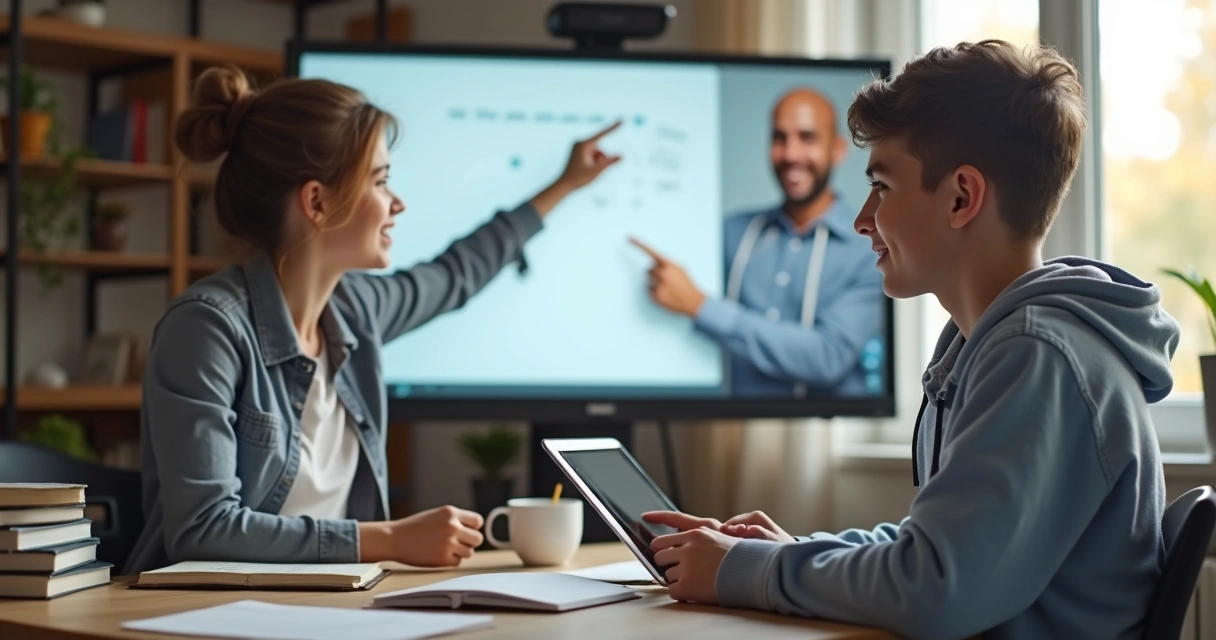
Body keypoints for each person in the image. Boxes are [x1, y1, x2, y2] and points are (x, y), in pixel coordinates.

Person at [641, 40, 1180, 639]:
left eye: (882, 186)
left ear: (962, 197)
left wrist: (748, 571)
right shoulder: (997, 343)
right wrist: (788, 554)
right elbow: (940, 550)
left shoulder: (1039, 356)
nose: (862, 219)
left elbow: (937, 586)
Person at [124, 66, 620, 575]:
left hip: (333, 603)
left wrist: (565, 184)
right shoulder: (207, 328)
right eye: (381, 181)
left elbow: (456, 274)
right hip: (210, 608)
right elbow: (203, 530)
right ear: (317, 202)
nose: (397, 203)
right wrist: (389, 539)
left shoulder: (356, 309)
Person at [631, 87, 885, 397]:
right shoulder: (732, 233)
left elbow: (828, 356)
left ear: (837, 150)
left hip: (821, 424)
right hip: (730, 421)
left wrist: (699, 306)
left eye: (807, 138)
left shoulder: (869, 249)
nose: (790, 154)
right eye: (779, 138)